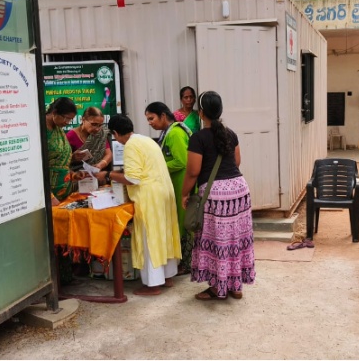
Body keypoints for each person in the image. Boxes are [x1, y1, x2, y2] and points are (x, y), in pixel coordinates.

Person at [95, 114, 181, 295]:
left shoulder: (130, 146)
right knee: (163, 234)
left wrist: (108, 175)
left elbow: (132, 178)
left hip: (150, 196)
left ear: (116, 133)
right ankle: (167, 277)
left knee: (149, 238)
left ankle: (154, 284)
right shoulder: (145, 140)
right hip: (164, 192)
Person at [181, 91, 255, 300]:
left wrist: (184, 194)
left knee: (217, 241)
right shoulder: (230, 134)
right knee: (236, 239)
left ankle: (217, 287)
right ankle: (235, 285)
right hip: (239, 191)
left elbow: (193, 171)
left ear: (201, 112)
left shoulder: (198, 138)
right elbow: (237, 162)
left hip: (216, 197)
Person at [145, 101, 193, 275]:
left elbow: (181, 161)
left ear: (163, 116)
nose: (150, 122)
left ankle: (187, 264)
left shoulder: (174, 134)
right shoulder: (170, 131)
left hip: (182, 184)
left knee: (184, 224)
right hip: (177, 183)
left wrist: (156, 166)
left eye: (151, 118)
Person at [45, 97, 86, 204]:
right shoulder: (40, 130)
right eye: (66, 118)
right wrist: (49, 196)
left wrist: (73, 174)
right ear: (54, 112)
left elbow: (57, 162)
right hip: (49, 198)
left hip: (63, 193)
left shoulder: (58, 129)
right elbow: (36, 168)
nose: (67, 123)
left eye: (70, 120)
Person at [66, 106, 112, 172]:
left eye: (100, 125)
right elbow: (62, 160)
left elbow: (108, 154)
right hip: (77, 176)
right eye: (94, 124)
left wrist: (100, 165)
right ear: (83, 120)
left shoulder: (100, 134)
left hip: (97, 175)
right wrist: (73, 157)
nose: (97, 129)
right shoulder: (71, 135)